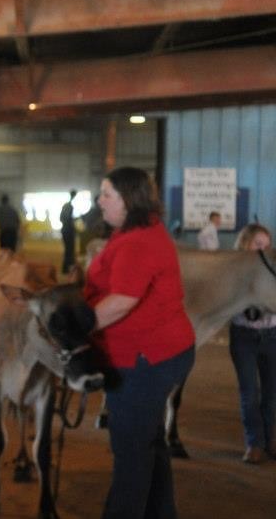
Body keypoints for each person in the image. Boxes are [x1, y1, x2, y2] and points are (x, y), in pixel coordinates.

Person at [84, 167, 195, 519]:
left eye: (107, 194)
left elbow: (122, 301)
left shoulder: (137, 241)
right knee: (149, 442)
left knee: (131, 450)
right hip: (160, 352)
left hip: (144, 359)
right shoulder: (137, 230)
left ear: (129, 200)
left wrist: (78, 329)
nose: (100, 201)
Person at [227, 223, 276, 464]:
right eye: (258, 244)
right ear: (245, 244)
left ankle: (272, 439)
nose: (263, 250)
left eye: (266, 245)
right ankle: (254, 443)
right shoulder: (232, 271)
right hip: (243, 336)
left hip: (272, 334)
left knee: (272, 392)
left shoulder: (272, 269)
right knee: (249, 391)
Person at [60, 189, 77, 273]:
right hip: (69, 230)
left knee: (67, 250)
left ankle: (65, 268)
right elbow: (68, 219)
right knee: (70, 250)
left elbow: (61, 218)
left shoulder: (65, 205)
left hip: (64, 230)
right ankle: (68, 268)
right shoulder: (70, 206)